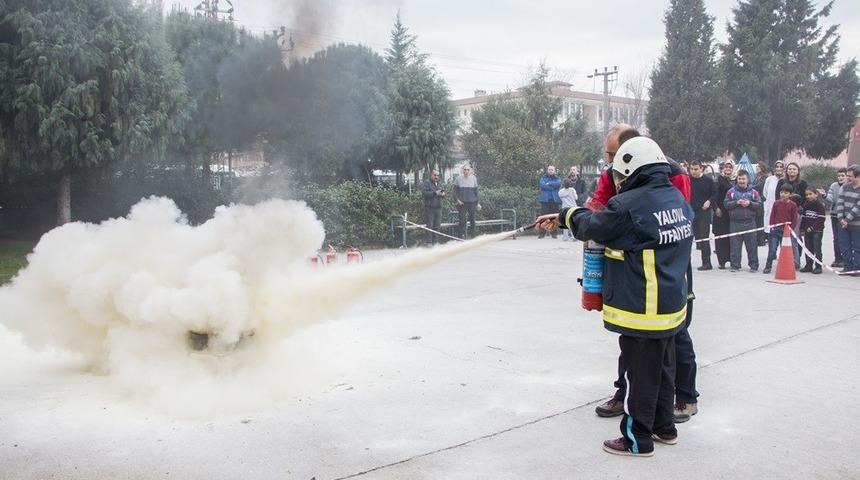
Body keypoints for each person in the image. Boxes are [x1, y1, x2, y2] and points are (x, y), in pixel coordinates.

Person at [536, 137, 693, 457]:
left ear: (633, 169)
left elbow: (595, 224)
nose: (618, 183)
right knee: (664, 370)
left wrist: (566, 215)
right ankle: (665, 427)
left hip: (643, 308)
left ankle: (638, 439)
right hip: (670, 305)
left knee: (640, 374)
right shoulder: (675, 199)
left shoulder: (630, 205)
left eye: (620, 175)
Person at [725, 170, 762, 272]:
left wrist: (749, 203)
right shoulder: (731, 192)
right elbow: (726, 204)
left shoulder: (754, 192)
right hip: (735, 223)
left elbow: (759, 205)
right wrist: (736, 202)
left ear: (747, 179)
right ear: (737, 179)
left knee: (752, 246)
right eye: (739, 179)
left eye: (743, 179)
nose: (741, 181)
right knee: (735, 246)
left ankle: (754, 266)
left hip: (750, 223)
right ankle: (735, 266)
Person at [763, 185, 799, 274]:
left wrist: (790, 229)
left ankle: (788, 266)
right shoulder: (776, 203)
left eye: (786, 193)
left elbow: (794, 219)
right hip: (775, 231)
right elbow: (772, 216)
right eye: (781, 192)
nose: (783, 194)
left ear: (790, 194)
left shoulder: (793, 205)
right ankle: (768, 266)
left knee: (786, 250)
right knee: (772, 249)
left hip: (786, 232)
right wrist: (772, 227)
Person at [689, 160, 716, 270]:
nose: (693, 172)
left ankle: (707, 262)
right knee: (691, 238)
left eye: (696, 169)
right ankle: (686, 262)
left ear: (701, 169)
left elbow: (715, 193)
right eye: (691, 169)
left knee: (704, 238)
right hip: (691, 211)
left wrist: (709, 201)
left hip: (704, 212)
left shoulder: (708, 180)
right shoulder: (688, 180)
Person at [836, 165, 860, 275]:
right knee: (844, 246)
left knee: (857, 247)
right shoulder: (844, 187)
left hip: (857, 224)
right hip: (843, 224)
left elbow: (857, 207)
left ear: (857, 176)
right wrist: (841, 218)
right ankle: (847, 266)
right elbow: (840, 203)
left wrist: (847, 219)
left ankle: (857, 268)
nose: (848, 178)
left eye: (850, 176)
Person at [712, 160, 735, 269]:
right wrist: (716, 208)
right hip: (720, 212)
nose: (728, 169)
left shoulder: (735, 180)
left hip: (731, 213)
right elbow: (713, 195)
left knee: (730, 237)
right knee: (720, 236)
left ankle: (731, 259)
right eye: (726, 167)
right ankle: (721, 261)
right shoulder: (718, 180)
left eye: (730, 168)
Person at [824, 168, 847, 267]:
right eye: (839, 176)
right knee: (836, 238)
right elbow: (831, 199)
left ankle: (845, 259)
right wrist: (824, 195)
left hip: (845, 216)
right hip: (834, 215)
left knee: (844, 238)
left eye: (843, 176)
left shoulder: (849, 186)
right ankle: (837, 258)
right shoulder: (834, 186)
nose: (840, 178)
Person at [800, 187, 825, 274]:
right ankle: (809, 265)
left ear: (816, 194)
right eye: (806, 195)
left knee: (817, 248)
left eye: (810, 194)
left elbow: (821, 219)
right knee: (808, 248)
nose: (808, 196)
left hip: (817, 231)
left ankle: (818, 266)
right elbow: (803, 218)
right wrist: (802, 228)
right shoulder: (806, 205)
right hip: (807, 231)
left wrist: (813, 228)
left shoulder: (819, 205)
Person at [453, 164, 481, 239]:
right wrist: (457, 200)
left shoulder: (474, 178)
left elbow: (476, 192)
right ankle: (460, 238)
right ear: (462, 170)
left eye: (468, 170)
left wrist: (478, 203)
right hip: (462, 203)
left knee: (472, 221)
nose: (466, 171)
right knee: (462, 221)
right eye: (465, 169)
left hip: (472, 202)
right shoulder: (458, 179)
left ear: (470, 170)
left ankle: (473, 238)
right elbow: (454, 192)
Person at [421, 170, 445, 245]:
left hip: (439, 207)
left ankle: (435, 242)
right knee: (430, 225)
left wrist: (443, 194)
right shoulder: (427, 183)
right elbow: (425, 193)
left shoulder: (440, 183)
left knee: (437, 226)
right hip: (430, 208)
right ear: (431, 175)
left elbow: (443, 193)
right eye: (434, 175)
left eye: (437, 175)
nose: (436, 177)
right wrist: (435, 193)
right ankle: (429, 242)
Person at [538, 165, 562, 239]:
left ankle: (554, 233)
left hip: (554, 201)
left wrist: (548, 183)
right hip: (545, 200)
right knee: (543, 217)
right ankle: (542, 233)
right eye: (549, 169)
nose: (550, 171)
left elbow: (558, 184)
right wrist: (552, 186)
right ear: (547, 170)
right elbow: (542, 185)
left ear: (554, 171)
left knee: (554, 218)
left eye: (552, 170)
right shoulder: (543, 178)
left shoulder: (557, 178)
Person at [762, 161, 785, 236]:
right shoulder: (769, 179)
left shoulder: (785, 180)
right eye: (777, 166)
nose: (779, 168)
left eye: (781, 167)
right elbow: (765, 193)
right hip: (770, 208)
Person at [753, 163, 769, 246]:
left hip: (761, 199)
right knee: (756, 220)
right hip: (755, 198)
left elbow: (759, 186)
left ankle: (761, 240)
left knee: (760, 221)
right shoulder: (756, 176)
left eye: (758, 166)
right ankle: (757, 239)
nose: (757, 168)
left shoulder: (764, 177)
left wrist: (750, 187)